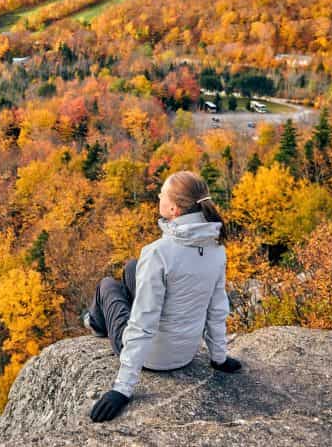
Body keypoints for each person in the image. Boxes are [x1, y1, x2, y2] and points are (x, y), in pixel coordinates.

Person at [83, 171, 242, 422]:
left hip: (153, 358)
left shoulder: (159, 253)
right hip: (185, 353)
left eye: (162, 194)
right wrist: (219, 358)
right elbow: (217, 308)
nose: (158, 196)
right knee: (133, 267)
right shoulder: (216, 249)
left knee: (107, 286)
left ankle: (95, 322)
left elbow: (143, 324)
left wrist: (121, 389)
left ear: (174, 209)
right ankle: (104, 313)